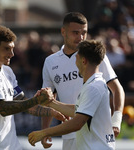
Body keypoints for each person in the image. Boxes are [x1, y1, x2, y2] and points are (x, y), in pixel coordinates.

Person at [41, 12, 125, 150]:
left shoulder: (95, 57)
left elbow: (117, 89)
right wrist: (45, 131)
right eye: (75, 32)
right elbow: (48, 98)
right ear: (63, 31)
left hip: (96, 133)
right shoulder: (50, 62)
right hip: (69, 133)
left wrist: (116, 119)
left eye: (84, 33)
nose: (80, 37)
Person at [0, 25, 66, 150]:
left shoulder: (8, 72)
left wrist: (53, 112)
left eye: (12, 49)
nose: (11, 54)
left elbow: (25, 104)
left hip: (11, 145)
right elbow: (2, 108)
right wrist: (36, 100)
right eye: (6, 49)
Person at [29, 40, 116, 150]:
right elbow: (77, 111)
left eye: (77, 57)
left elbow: (77, 123)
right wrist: (51, 103)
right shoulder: (93, 84)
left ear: (83, 61)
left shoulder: (93, 87)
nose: (75, 61)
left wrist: (43, 133)